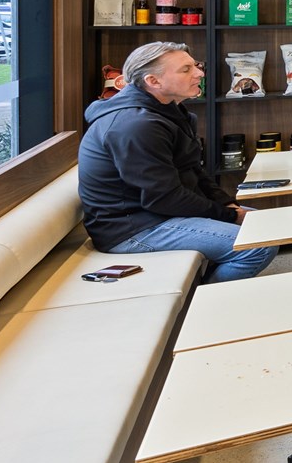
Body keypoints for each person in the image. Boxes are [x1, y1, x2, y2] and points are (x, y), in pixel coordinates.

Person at [79, 41, 276, 282]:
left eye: (196, 65)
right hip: (133, 228)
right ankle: (204, 301)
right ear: (153, 81)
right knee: (258, 245)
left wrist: (228, 205)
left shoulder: (168, 112)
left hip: (158, 214)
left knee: (265, 225)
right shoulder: (135, 126)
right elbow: (163, 198)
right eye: (186, 70)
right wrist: (230, 216)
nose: (200, 73)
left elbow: (193, 170)